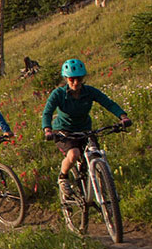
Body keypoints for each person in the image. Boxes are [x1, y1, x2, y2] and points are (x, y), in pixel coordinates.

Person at [42, 59, 132, 197]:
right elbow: (47, 112)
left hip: (85, 130)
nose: (76, 83)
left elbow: (108, 103)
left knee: (96, 154)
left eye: (79, 79)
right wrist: (47, 129)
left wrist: (123, 116)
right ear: (66, 79)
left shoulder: (89, 92)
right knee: (74, 154)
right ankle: (63, 177)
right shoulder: (59, 94)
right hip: (64, 132)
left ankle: (104, 189)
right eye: (72, 79)